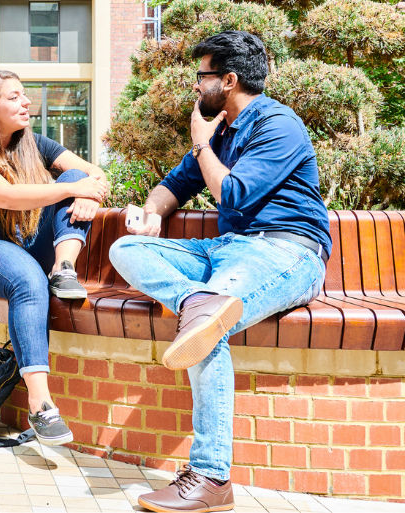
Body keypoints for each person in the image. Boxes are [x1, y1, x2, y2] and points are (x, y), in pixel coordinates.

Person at [108, 31, 330, 512]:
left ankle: (212, 477)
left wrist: (201, 144)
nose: (195, 86)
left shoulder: (277, 125)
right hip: (227, 249)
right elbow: (176, 185)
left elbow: (233, 194)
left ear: (228, 80)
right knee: (127, 249)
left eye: (202, 76)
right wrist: (151, 212)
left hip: (286, 252)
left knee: (209, 331)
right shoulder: (223, 131)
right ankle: (196, 301)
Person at [0, 70, 111, 446]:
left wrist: (87, 193)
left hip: (26, 238)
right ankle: (41, 404)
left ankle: (64, 268)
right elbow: (4, 196)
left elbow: (93, 172)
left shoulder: (33, 144)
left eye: (25, 96)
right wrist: (72, 188)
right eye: (15, 97)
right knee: (27, 281)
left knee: (71, 174)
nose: (26, 103)